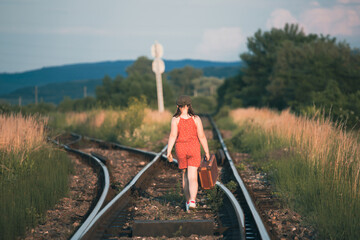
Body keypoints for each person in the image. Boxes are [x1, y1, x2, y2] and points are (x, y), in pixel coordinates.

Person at [167, 95, 210, 212]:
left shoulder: (175, 119)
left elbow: (173, 135)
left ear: (178, 106)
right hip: (194, 148)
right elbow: (201, 136)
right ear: (189, 105)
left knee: (184, 175)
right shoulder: (196, 119)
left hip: (181, 149)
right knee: (192, 176)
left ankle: (187, 202)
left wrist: (169, 151)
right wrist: (206, 151)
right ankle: (192, 201)